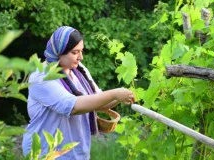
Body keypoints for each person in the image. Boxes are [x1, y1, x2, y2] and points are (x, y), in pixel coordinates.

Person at [22, 26, 135, 159]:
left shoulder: (78, 70)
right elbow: (74, 106)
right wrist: (115, 94)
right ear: (59, 52)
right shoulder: (42, 77)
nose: (80, 57)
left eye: (81, 51)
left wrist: (122, 97)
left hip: (76, 153)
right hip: (45, 153)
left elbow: (98, 102)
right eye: (75, 52)